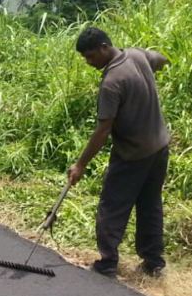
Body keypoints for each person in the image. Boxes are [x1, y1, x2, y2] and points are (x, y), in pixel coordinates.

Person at [66, 26, 171, 278]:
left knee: (112, 204)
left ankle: (108, 260)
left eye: (91, 56)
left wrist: (80, 165)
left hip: (133, 153)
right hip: (160, 146)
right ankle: (153, 263)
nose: (89, 63)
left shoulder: (112, 82)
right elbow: (161, 59)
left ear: (104, 47)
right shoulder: (136, 55)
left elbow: (103, 130)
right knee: (150, 204)